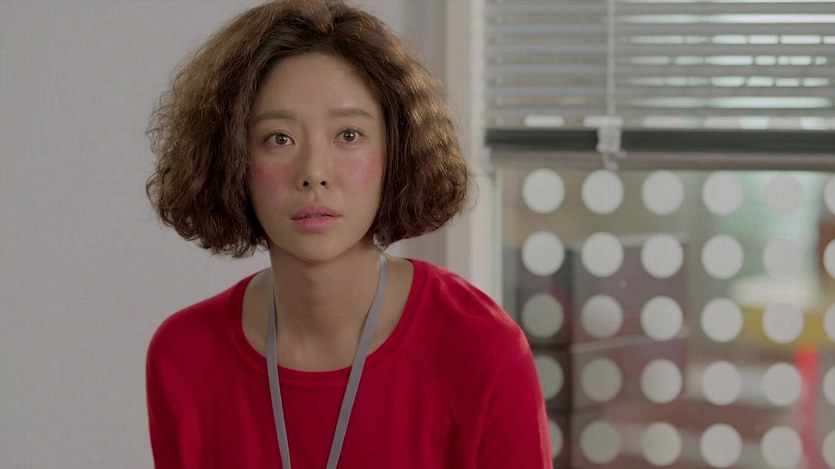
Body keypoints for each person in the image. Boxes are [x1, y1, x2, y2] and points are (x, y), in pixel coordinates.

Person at [144, 1, 551, 468]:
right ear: (233, 161)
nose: (314, 173)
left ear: (397, 151)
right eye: (279, 138)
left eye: (349, 135)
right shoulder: (184, 357)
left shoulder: (481, 350)